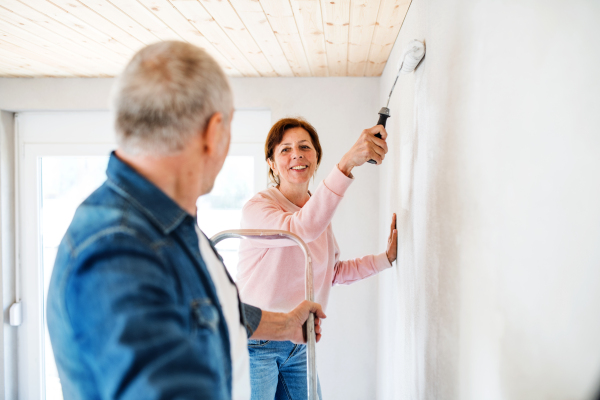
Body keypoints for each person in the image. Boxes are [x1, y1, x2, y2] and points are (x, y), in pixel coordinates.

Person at [46, 41, 325, 400]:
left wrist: (283, 324)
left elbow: (207, 305)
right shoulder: (118, 252)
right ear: (214, 132)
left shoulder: (164, 221)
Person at [236, 117, 398, 399]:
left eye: (304, 147)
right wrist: (347, 163)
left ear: (316, 157)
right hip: (257, 341)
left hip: (299, 342)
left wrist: (386, 258)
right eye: (284, 149)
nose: (296, 154)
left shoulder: (316, 211)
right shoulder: (258, 207)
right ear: (272, 163)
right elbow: (298, 231)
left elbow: (331, 272)